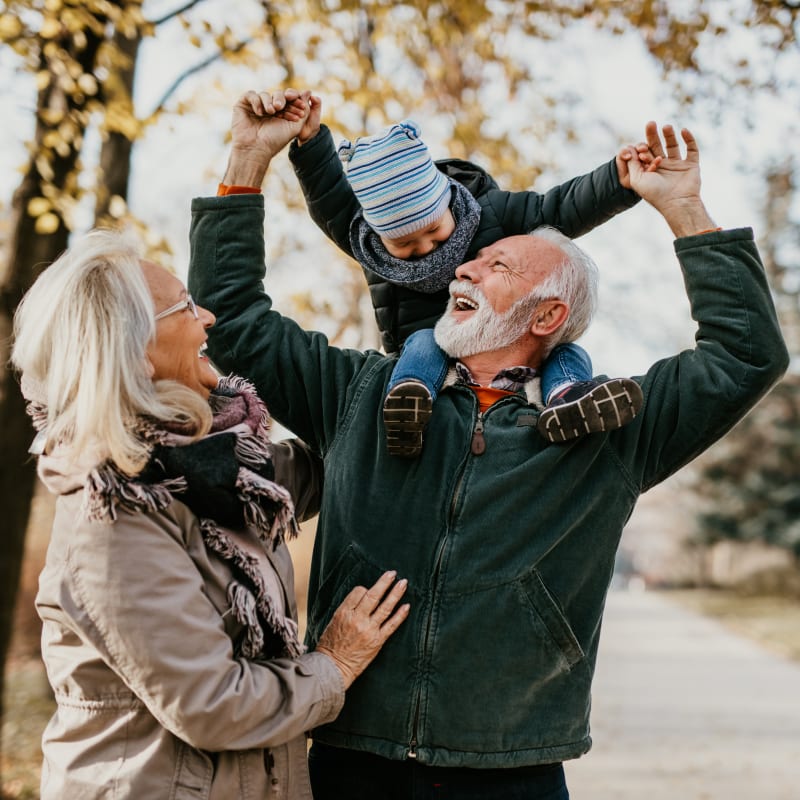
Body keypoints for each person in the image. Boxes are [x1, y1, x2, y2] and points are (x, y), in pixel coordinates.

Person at [188, 90, 788, 800]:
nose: (462, 268)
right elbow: (236, 320)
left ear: (550, 314)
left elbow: (746, 356)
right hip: (352, 757)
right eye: (471, 263)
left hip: (516, 770)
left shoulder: (608, 429)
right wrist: (250, 156)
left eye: (497, 266)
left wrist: (685, 210)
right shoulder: (359, 394)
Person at [11, 229, 410, 800]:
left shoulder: (205, 469)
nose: (209, 318)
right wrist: (335, 663)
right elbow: (213, 705)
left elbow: (321, 466)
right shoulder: (114, 512)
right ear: (137, 352)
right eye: (186, 306)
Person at [280, 90, 647, 455]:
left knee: (565, 352)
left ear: (446, 200)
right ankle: (408, 402)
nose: (424, 248)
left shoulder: (492, 214)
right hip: (424, 363)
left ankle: (568, 398)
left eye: (433, 231)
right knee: (422, 342)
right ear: (377, 237)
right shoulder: (371, 249)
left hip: (502, 357)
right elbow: (330, 200)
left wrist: (617, 182)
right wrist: (310, 142)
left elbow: (561, 207)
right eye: (404, 245)